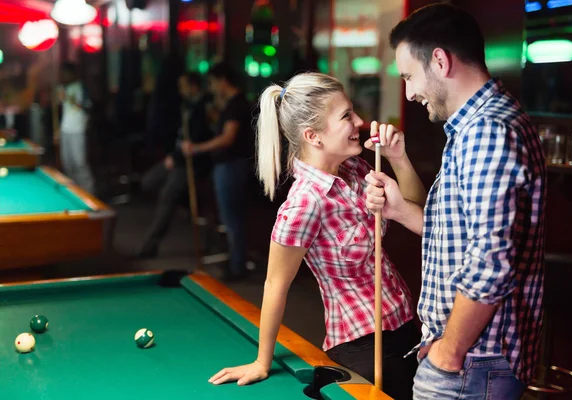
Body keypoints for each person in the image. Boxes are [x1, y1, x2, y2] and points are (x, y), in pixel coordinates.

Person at [364, 4, 546, 399]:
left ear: (441, 61)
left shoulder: (485, 131)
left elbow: (490, 262)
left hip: (472, 362)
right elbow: (464, 235)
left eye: (410, 77)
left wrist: (450, 350)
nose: (410, 92)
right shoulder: (482, 122)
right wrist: (399, 210)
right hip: (476, 360)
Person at [206, 72, 420, 399]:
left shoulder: (356, 169)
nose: (360, 121)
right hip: (364, 346)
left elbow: (415, 209)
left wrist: (398, 159)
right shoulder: (305, 204)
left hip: (406, 325)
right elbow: (275, 284)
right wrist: (263, 361)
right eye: (347, 116)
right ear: (313, 136)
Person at [182, 63, 253, 281]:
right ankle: (236, 262)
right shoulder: (235, 104)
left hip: (232, 167)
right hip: (233, 166)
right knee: (233, 218)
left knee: (233, 220)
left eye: (213, 83)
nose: (212, 88)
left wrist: (196, 148)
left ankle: (237, 266)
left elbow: (227, 138)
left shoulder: (236, 105)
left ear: (223, 80)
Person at [136, 72, 213, 258]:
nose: (180, 90)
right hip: (177, 158)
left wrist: (177, 158)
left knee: (166, 196)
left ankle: (149, 247)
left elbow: (200, 138)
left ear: (193, 86)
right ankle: (182, 201)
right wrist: (173, 155)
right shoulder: (186, 105)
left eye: (183, 85)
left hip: (192, 163)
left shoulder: (206, 107)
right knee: (146, 182)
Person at [55, 62, 95, 193]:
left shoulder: (81, 87)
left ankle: (89, 193)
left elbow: (88, 107)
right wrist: (58, 130)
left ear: (72, 73)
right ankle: (75, 192)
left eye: (65, 73)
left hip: (78, 130)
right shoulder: (63, 88)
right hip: (65, 130)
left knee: (80, 163)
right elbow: (61, 111)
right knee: (68, 164)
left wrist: (69, 99)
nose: (63, 76)